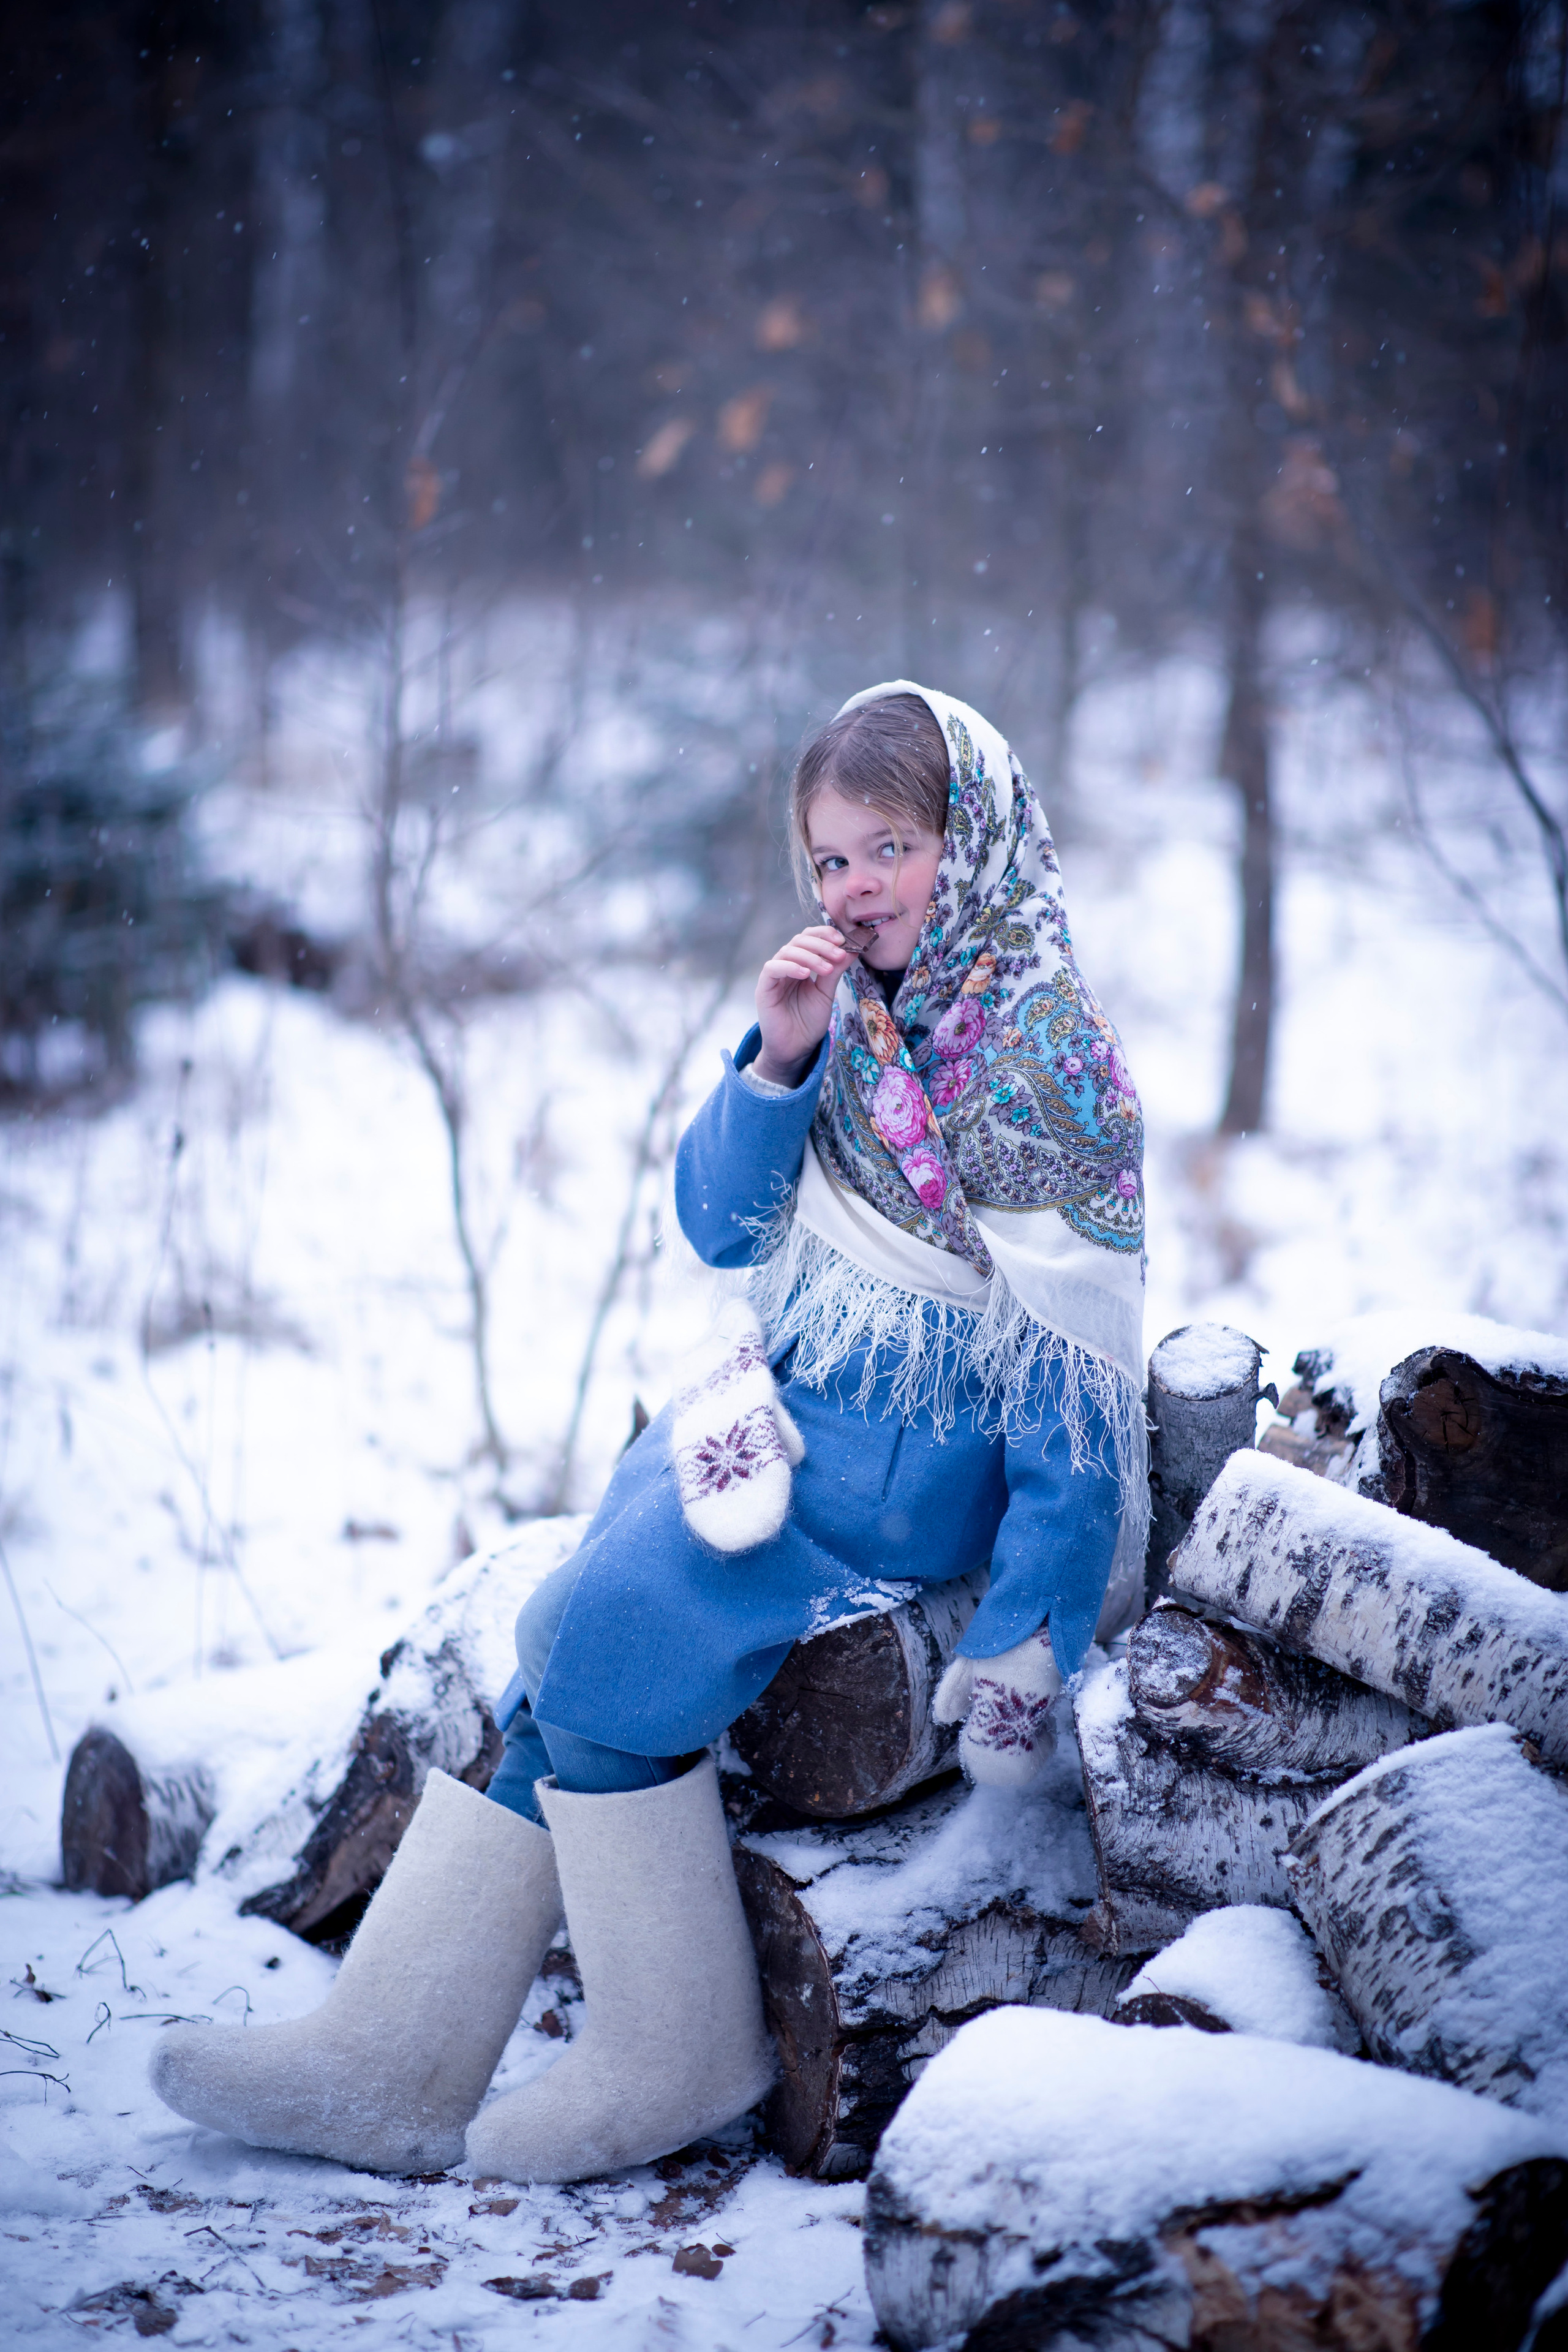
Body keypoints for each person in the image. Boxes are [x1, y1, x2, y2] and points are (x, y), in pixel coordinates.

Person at [149, 680, 1147, 2187]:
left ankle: (678, 2051)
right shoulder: (858, 1020)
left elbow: (1075, 1393)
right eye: (826, 860)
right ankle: (394, 2056)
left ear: (977, 839)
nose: (855, 888)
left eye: (889, 846)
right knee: (568, 1625)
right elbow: (715, 1221)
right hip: (799, 1395)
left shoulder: (1038, 1054)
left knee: (620, 1620)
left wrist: (1022, 1642)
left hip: (913, 1463)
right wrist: (776, 1059)